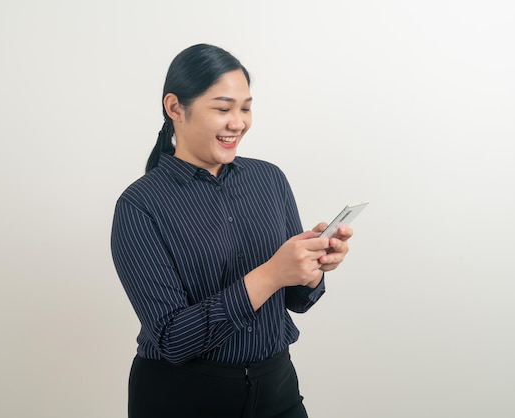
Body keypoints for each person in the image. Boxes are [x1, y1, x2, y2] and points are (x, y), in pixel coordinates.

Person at [110, 43, 354, 418]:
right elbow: (173, 340)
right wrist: (271, 273)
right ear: (175, 107)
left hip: (277, 387)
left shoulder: (269, 179)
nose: (238, 122)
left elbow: (296, 302)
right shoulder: (139, 206)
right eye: (223, 109)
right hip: (182, 397)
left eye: (246, 108)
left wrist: (311, 267)